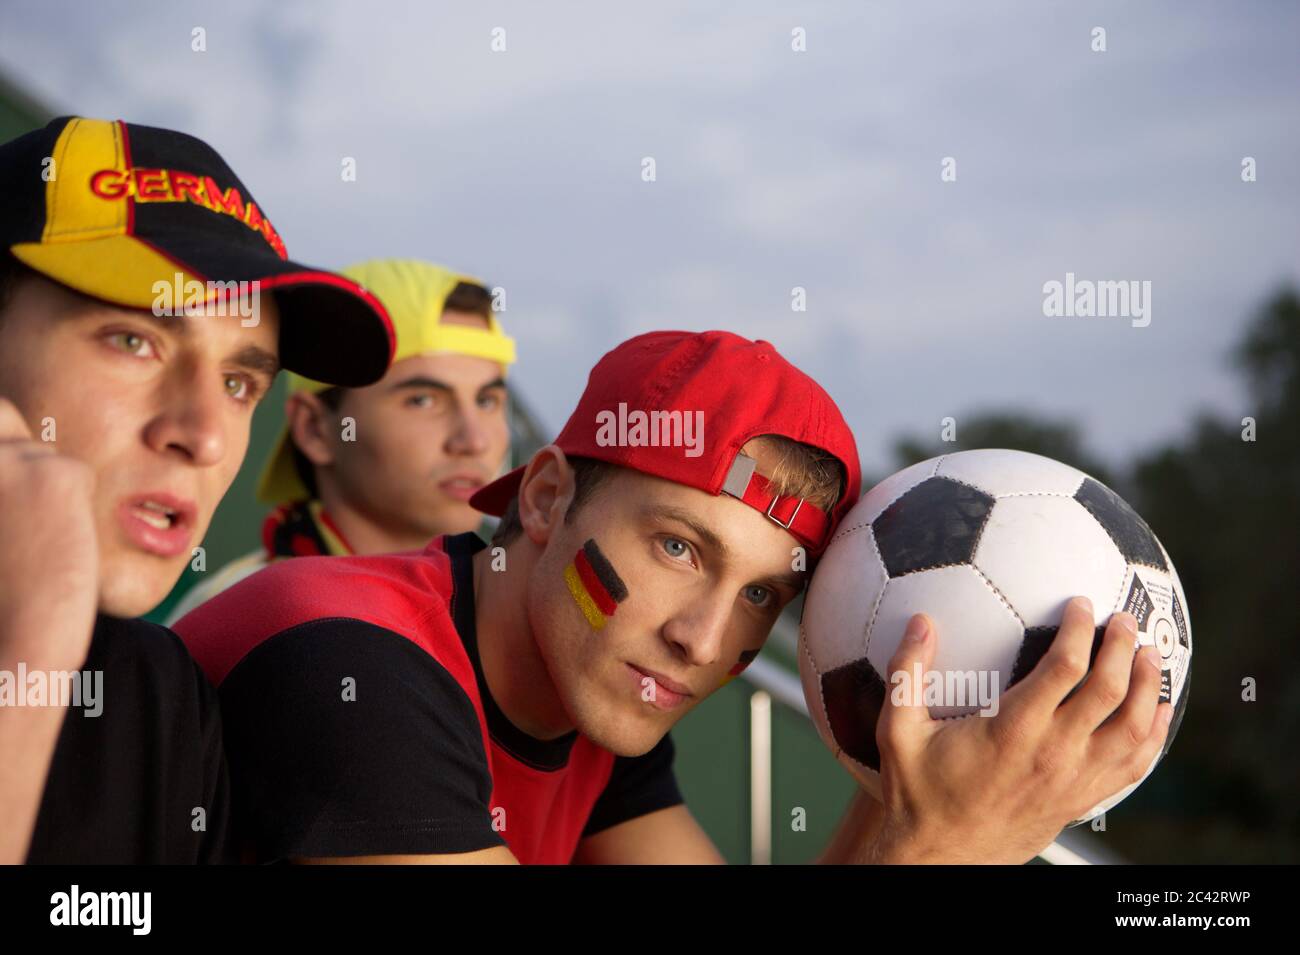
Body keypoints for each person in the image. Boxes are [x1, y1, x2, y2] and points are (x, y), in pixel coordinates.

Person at [173, 329, 1173, 863]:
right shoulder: (352, 666)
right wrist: (953, 849)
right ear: (546, 493)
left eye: (760, 597)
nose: (703, 638)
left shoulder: (590, 706)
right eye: (677, 547)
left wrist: (907, 790)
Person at [0, 115, 394, 863]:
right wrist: (35, 640)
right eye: (133, 340)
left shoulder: (159, 691)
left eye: (240, 382)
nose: (206, 435)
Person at [166, 259, 515, 622]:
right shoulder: (234, 622)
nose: (473, 440)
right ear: (315, 428)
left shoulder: (513, 615)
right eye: (422, 400)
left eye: (487, 401)